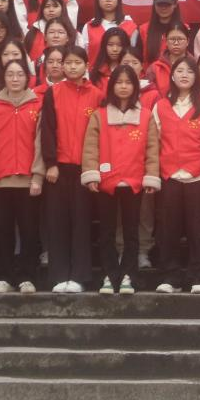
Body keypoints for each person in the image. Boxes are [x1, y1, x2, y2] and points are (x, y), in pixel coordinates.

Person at [82, 65, 161, 295]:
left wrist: (150, 177)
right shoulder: (99, 115)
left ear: (135, 86)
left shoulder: (145, 116)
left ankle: (129, 274)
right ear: (111, 86)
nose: (123, 86)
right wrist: (91, 173)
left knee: (131, 232)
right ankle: (109, 274)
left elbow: (152, 149)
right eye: (119, 82)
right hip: (106, 181)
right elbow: (90, 148)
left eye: (128, 82)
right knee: (106, 231)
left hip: (134, 182)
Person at [39, 45, 103, 293]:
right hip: (59, 167)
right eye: (68, 63)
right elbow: (47, 130)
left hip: (85, 169)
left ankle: (79, 276)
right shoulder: (53, 92)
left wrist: (94, 168)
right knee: (57, 222)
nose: (73, 67)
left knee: (81, 222)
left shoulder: (96, 95)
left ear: (87, 65)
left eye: (78, 62)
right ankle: (58, 276)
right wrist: (51, 163)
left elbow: (100, 134)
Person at [0, 59, 44, 294]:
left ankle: (27, 276)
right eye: (10, 74)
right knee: (2, 231)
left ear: (27, 78)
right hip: (0, 179)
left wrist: (38, 175)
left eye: (19, 74)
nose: (15, 79)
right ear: (3, 78)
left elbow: (40, 143)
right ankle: (3, 276)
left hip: (28, 180)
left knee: (29, 231)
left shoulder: (37, 105)